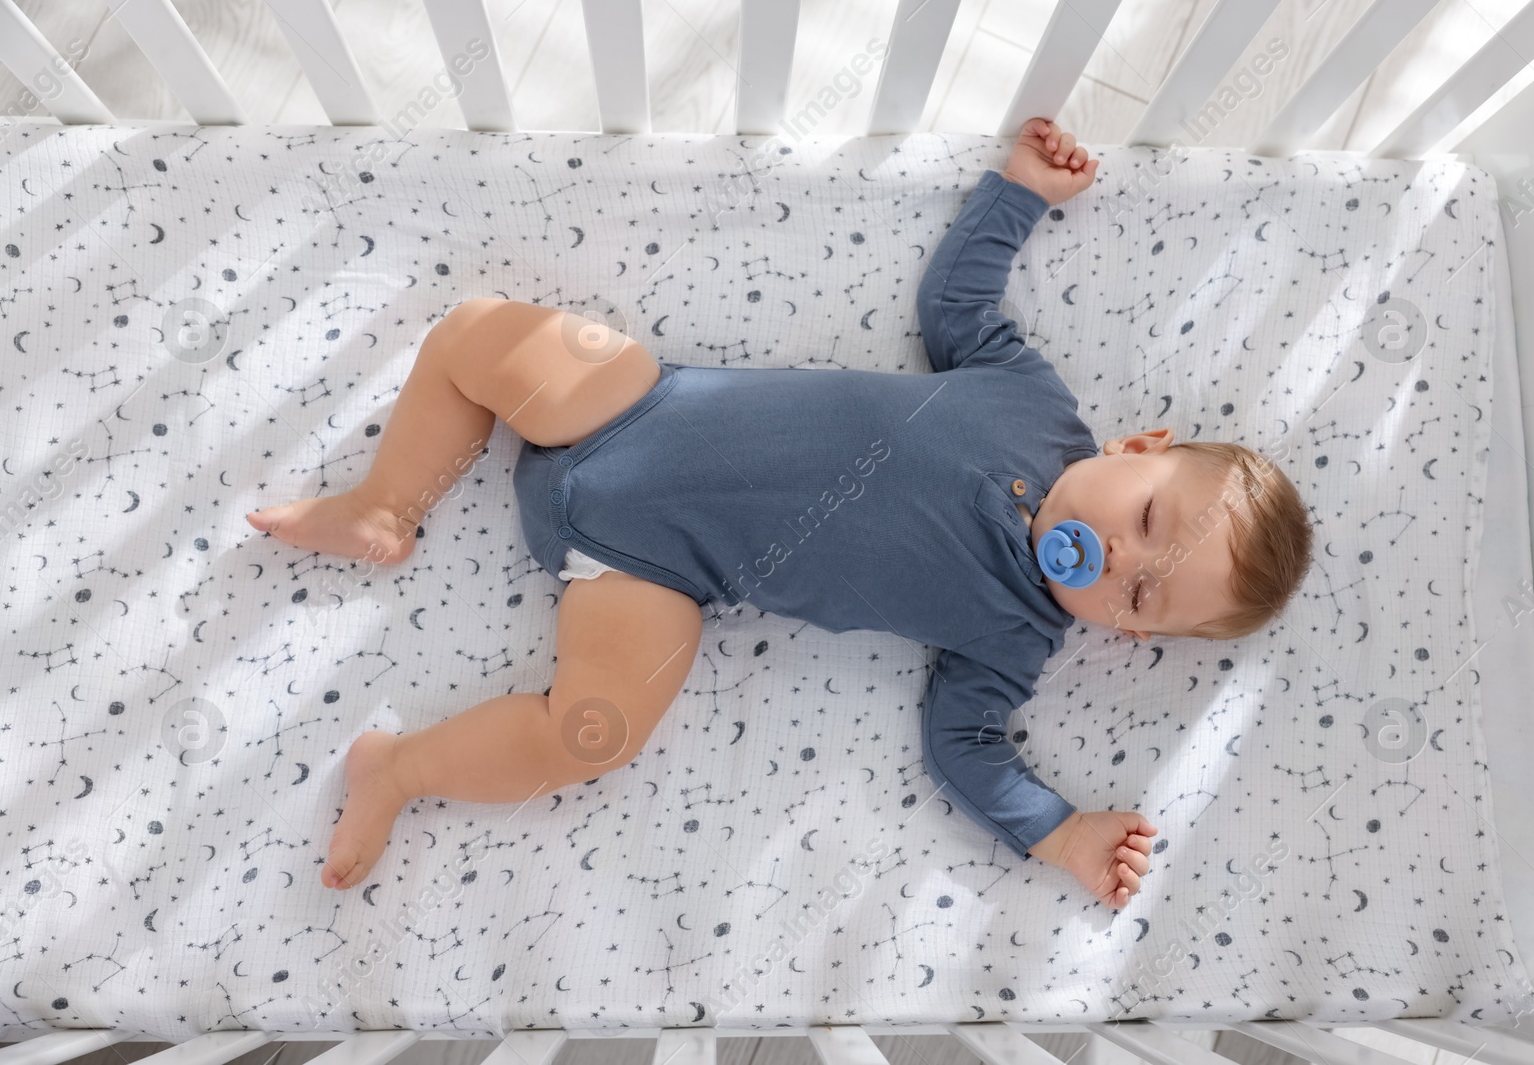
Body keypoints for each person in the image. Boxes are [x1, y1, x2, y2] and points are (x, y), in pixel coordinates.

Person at [246, 118, 1312, 908]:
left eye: (1137, 593)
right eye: (1142, 516)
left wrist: (1064, 830)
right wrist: (1019, 191)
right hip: (636, 408)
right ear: (1139, 448)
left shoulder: (1014, 638)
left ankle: (401, 768)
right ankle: (386, 504)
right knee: (479, 329)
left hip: (652, 575)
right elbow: (956, 306)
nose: (1111, 556)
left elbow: (966, 749)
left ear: (1125, 635)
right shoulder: (1030, 400)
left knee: (596, 731)